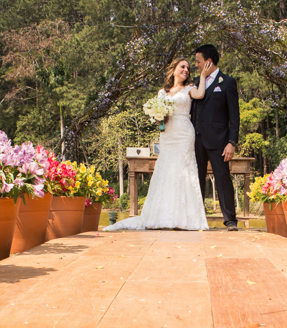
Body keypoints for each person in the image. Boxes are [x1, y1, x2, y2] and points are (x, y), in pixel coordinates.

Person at [103, 59, 209, 231]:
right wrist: (159, 116)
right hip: (167, 133)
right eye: (182, 67)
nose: (186, 70)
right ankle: (163, 215)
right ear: (174, 70)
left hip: (184, 132)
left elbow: (201, 95)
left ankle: (186, 218)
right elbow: (157, 114)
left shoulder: (190, 88)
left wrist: (203, 76)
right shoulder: (162, 92)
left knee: (184, 169)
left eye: (188, 68)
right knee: (166, 169)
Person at [190, 44, 240, 231]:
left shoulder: (227, 82)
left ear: (208, 62)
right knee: (197, 179)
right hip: (196, 140)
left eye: (198, 61)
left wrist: (231, 142)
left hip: (219, 140)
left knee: (222, 178)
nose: (195, 64)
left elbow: (234, 116)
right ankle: (197, 218)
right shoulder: (196, 82)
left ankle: (230, 220)